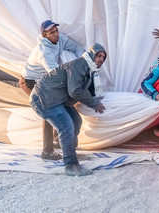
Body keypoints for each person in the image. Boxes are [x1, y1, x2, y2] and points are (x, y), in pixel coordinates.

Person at [30, 44, 108, 176]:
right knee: (66, 127)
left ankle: (66, 151)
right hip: (44, 97)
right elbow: (75, 90)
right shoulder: (80, 65)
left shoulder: (89, 70)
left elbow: (85, 89)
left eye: (103, 57)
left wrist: (95, 98)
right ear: (91, 55)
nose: (101, 59)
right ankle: (71, 165)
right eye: (98, 55)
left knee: (76, 121)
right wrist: (93, 103)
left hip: (57, 98)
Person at [19, 20, 84, 160]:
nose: (56, 34)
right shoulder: (44, 51)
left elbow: (77, 48)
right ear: (44, 35)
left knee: (58, 108)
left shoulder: (60, 40)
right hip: (30, 82)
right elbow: (55, 73)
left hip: (45, 81)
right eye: (52, 32)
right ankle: (47, 151)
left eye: (56, 31)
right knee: (48, 110)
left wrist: (86, 61)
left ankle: (58, 140)